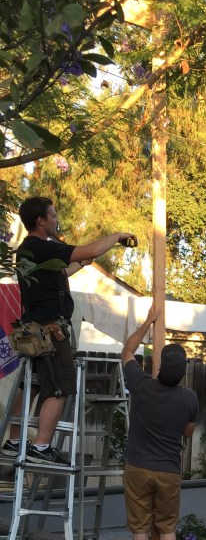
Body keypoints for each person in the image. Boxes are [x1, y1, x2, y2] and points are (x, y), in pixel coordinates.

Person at [2, 195, 136, 466]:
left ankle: (14, 441)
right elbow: (92, 250)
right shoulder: (42, 247)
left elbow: (61, 273)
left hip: (34, 328)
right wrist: (118, 235)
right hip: (52, 330)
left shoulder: (28, 251)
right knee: (61, 388)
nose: (56, 219)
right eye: (53, 215)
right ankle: (41, 447)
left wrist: (81, 264)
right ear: (41, 221)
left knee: (36, 384)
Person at [121, 306, 199, 540]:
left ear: (158, 366)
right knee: (167, 530)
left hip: (138, 469)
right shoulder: (189, 398)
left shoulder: (140, 386)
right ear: (183, 372)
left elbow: (127, 350)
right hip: (168, 472)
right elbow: (188, 433)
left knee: (140, 531)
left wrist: (148, 322)